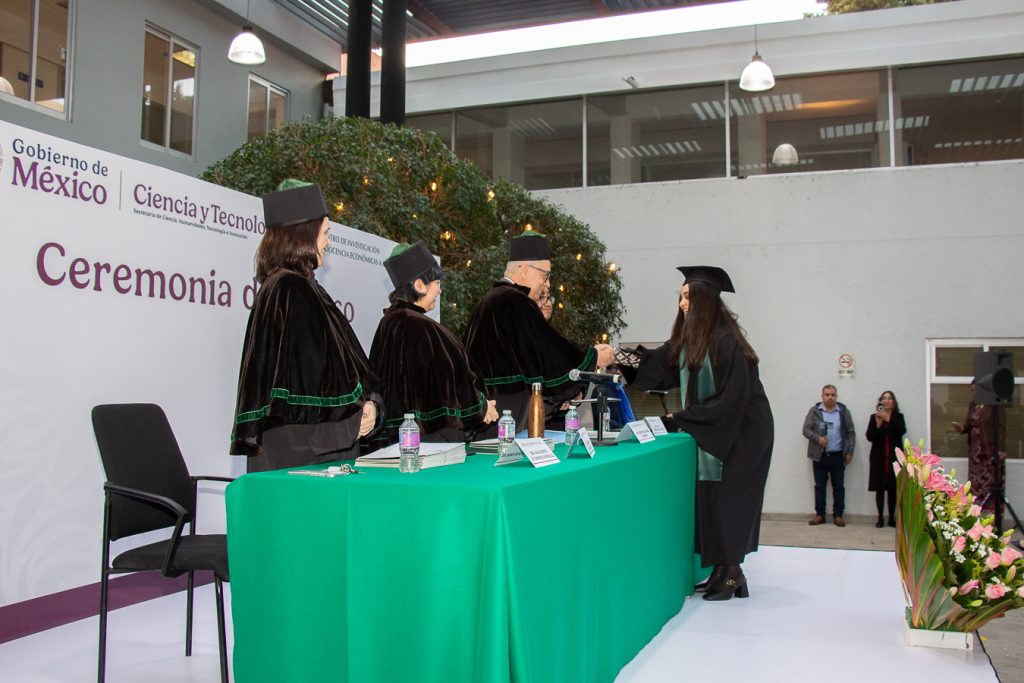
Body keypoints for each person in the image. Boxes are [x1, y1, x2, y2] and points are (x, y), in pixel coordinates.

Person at [617, 266, 774, 601]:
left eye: (687, 297)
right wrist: (617, 356)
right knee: (712, 496)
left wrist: (682, 419)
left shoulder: (729, 342)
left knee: (730, 498)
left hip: (744, 431)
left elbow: (731, 400)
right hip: (718, 425)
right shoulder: (691, 340)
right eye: (681, 297)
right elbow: (658, 365)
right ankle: (723, 571)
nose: (682, 304)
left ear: (704, 300)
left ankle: (732, 573)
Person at [230, 179, 382, 472]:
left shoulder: (297, 288)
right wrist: (355, 416)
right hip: (301, 459)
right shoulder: (290, 289)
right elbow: (306, 391)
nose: (327, 242)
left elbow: (347, 368)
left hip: (307, 452)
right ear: (303, 235)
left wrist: (370, 404)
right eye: (325, 233)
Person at [463, 232, 614, 437]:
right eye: (545, 275)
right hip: (506, 417)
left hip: (489, 416)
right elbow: (547, 351)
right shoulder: (515, 301)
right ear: (525, 270)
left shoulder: (491, 300)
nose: (548, 284)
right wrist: (592, 355)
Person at [369, 241, 498, 442]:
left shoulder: (389, 323)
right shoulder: (420, 326)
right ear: (419, 285)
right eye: (437, 283)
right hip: (429, 439)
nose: (440, 291)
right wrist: (481, 407)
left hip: (397, 439)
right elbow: (450, 380)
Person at [802, 385, 856, 527]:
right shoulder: (814, 411)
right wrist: (818, 438)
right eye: (827, 394)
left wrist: (850, 452)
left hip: (838, 455)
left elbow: (850, 432)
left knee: (838, 486)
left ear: (836, 396)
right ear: (822, 396)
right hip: (820, 456)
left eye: (832, 394)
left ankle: (838, 515)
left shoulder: (843, 411)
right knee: (820, 486)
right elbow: (806, 430)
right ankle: (820, 515)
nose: (830, 397)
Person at [953, 385, 1006, 514]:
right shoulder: (973, 404)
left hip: (989, 448)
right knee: (975, 482)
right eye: (973, 390)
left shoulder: (995, 404)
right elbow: (969, 425)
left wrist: (1001, 449)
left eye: (976, 389)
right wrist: (962, 428)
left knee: (991, 480)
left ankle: (992, 515)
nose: (974, 392)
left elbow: (1001, 426)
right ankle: (975, 513)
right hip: (975, 451)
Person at [866, 390, 906, 527]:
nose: (887, 400)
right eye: (884, 398)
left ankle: (891, 519)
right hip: (879, 458)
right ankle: (880, 518)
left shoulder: (898, 417)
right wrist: (878, 424)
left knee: (892, 489)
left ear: (893, 402)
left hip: (894, 458)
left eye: (889, 398)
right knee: (880, 488)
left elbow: (901, 430)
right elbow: (870, 436)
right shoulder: (874, 417)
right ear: (881, 401)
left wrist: (888, 419)